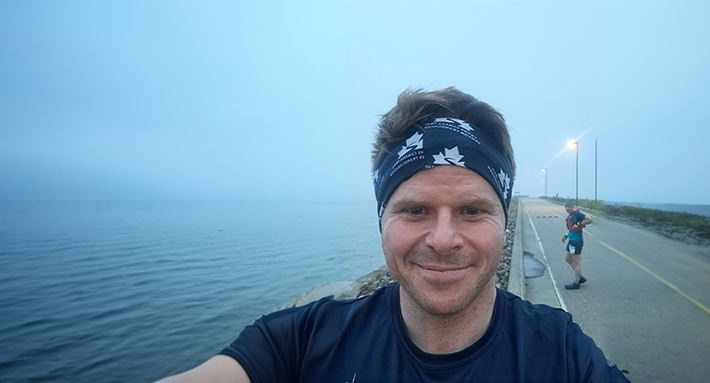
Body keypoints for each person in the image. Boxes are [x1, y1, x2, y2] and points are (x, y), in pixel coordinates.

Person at [156, 87, 630, 383]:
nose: (443, 239)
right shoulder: (299, 343)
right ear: (381, 221)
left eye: (471, 210)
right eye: (415, 209)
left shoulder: (563, 356)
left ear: (504, 222)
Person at [561, 201, 592, 290]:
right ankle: (579, 276)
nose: (567, 208)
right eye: (566, 207)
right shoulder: (569, 216)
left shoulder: (577, 214)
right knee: (567, 258)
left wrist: (578, 224)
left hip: (577, 242)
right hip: (571, 241)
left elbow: (589, 220)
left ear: (573, 207)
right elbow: (571, 229)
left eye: (569, 207)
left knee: (576, 261)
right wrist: (565, 236)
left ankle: (576, 282)